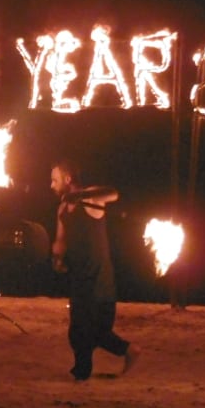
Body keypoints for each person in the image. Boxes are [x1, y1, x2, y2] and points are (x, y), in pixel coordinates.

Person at [50, 159, 141, 380]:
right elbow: (60, 239)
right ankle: (82, 373)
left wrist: (78, 196)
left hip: (99, 277)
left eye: (54, 180)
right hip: (79, 276)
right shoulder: (62, 207)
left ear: (68, 179)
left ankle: (129, 351)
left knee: (97, 331)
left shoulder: (91, 198)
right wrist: (57, 258)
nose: (51, 185)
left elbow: (113, 193)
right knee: (77, 330)